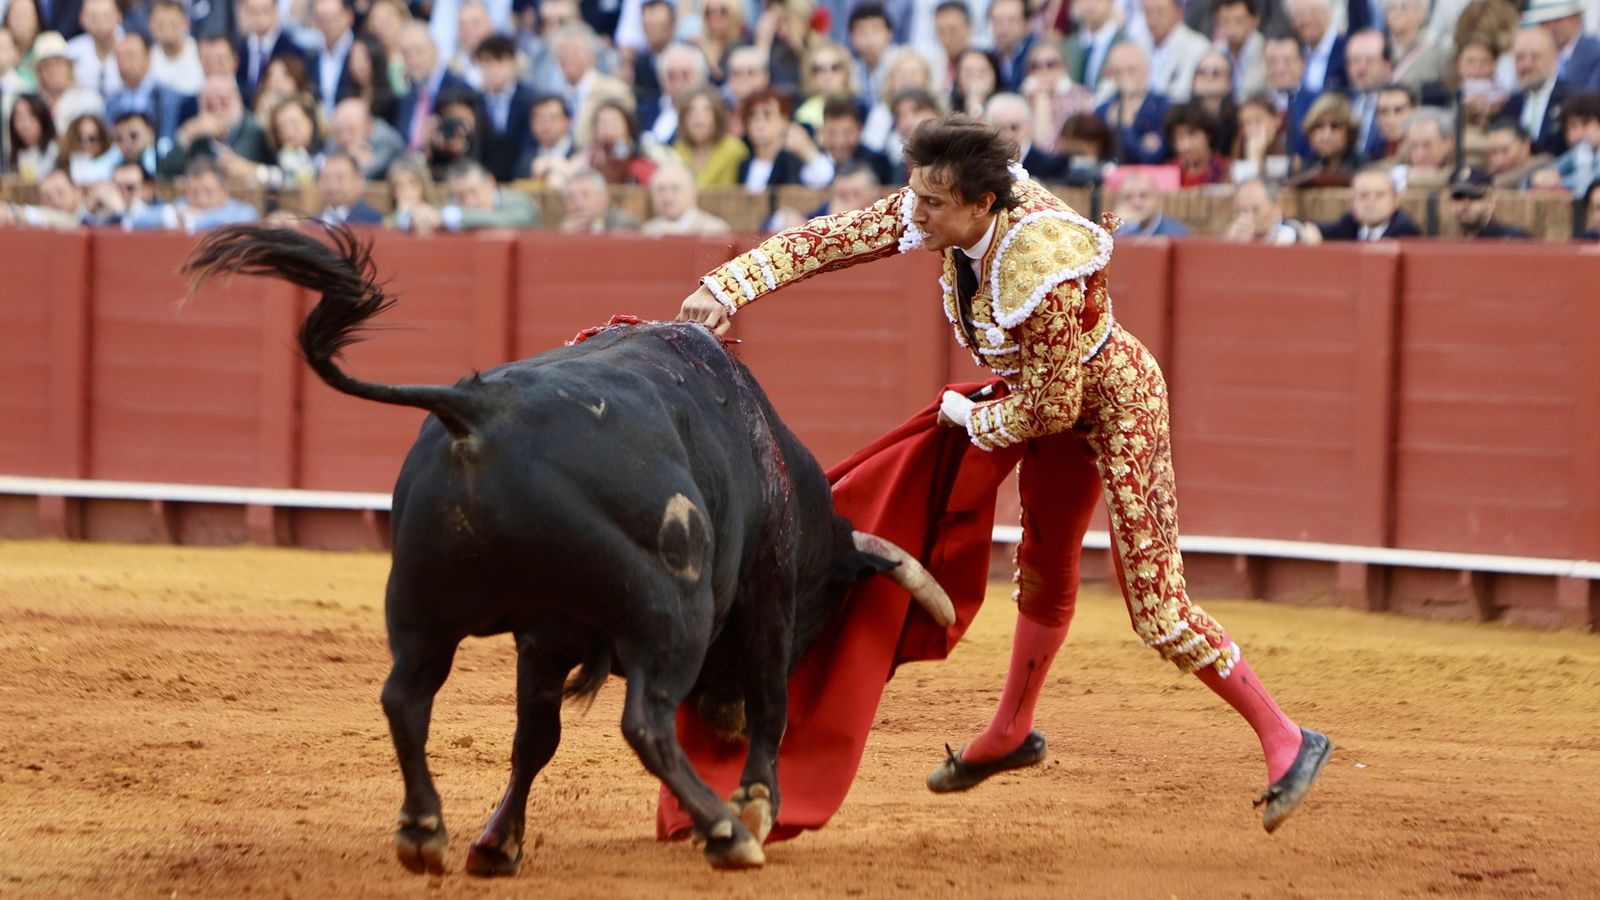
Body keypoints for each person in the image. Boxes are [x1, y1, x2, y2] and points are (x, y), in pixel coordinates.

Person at [676, 114, 1331, 833]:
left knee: (1157, 607)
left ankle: (1287, 736)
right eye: (915, 196)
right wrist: (730, 283)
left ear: (982, 204)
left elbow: (1056, 405)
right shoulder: (946, 203)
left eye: (931, 204)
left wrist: (972, 420)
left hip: (1112, 404)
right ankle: (1012, 732)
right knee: (1042, 571)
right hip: (1046, 398)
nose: (913, 213)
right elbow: (835, 239)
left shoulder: (1038, 263)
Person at [1446, 165, 1528, 238]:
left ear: (1490, 202)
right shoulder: (1448, 241)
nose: (1465, 205)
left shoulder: (1512, 239)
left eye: (1474, 197)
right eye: (1458, 197)